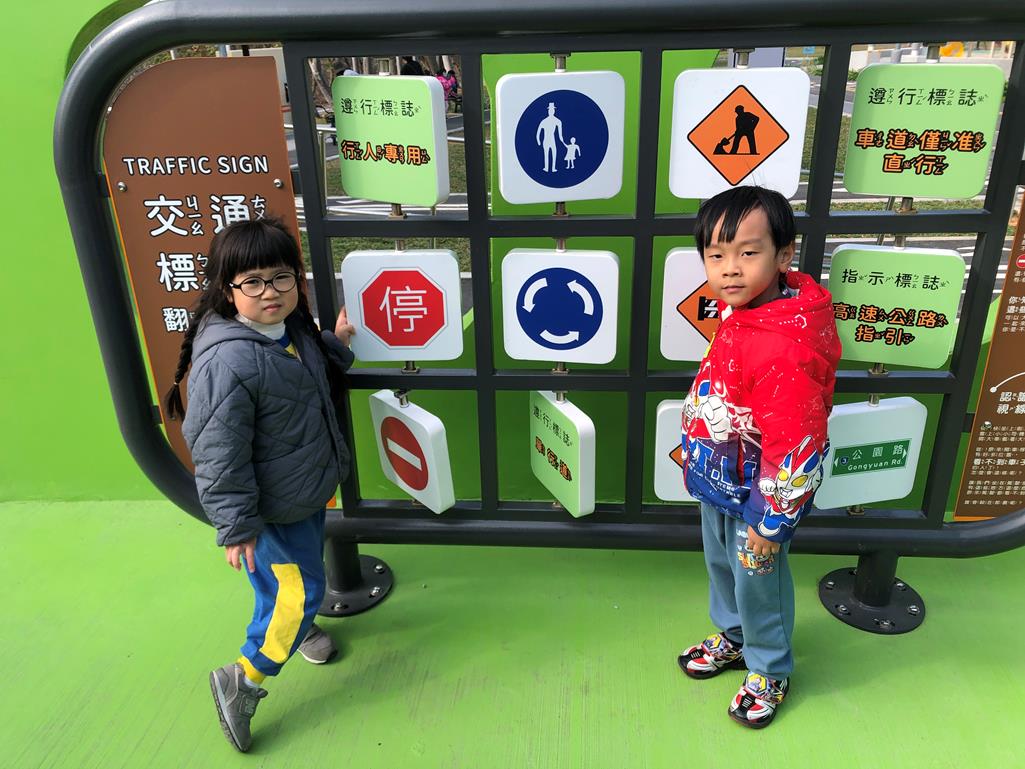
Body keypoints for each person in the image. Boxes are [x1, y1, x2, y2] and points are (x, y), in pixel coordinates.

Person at [163, 218, 356, 752]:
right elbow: (216, 451)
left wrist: (335, 344)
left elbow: (306, 369)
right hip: (269, 509)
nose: (269, 291)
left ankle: (298, 627)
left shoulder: (290, 329)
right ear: (228, 290)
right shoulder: (227, 360)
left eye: (281, 277)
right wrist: (237, 526)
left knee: (288, 584)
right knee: (300, 591)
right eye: (252, 282)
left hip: (299, 491)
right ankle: (243, 679)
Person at [677, 185, 840, 729]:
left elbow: (795, 439)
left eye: (748, 252)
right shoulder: (748, 313)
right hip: (722, 479)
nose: (730, 268)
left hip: (761, 500)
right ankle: (735, 635)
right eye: (716, 255)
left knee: (759, 581)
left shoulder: (784, 343)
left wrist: (773, 520)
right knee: (723, 567)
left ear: (784, 254)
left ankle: (769, 666)